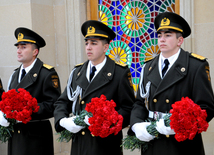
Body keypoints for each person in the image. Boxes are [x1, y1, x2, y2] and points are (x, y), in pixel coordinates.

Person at [129, 12, 214, 155]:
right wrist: (137, 125)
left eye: (168, 35)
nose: (162, 39)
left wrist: (177, 125)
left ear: (180, 40)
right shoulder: (148, 68)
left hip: (182, 145)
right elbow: (139, 102)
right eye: (160, 35)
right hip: (153, 143)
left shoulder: (195, 66)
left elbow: (207, 108)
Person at [54, 20, 135, 155]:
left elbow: (128, 109)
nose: (88, 47)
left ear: (105, 47)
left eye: (94, 43)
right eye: (86, 43)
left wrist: (106, 121)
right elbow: (62, 102)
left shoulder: (119, 73)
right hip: (79, 143)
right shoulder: (77, 72)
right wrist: (63, 121)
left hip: (105, 146)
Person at [3, 27, 61, 155]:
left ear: (35, 51)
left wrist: (26, 110)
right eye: (18, 47)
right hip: (16, 135)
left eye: (23, 47)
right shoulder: (15, 74)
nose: (18, 51)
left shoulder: (46, 73)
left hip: (35, 136)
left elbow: (53, 105)